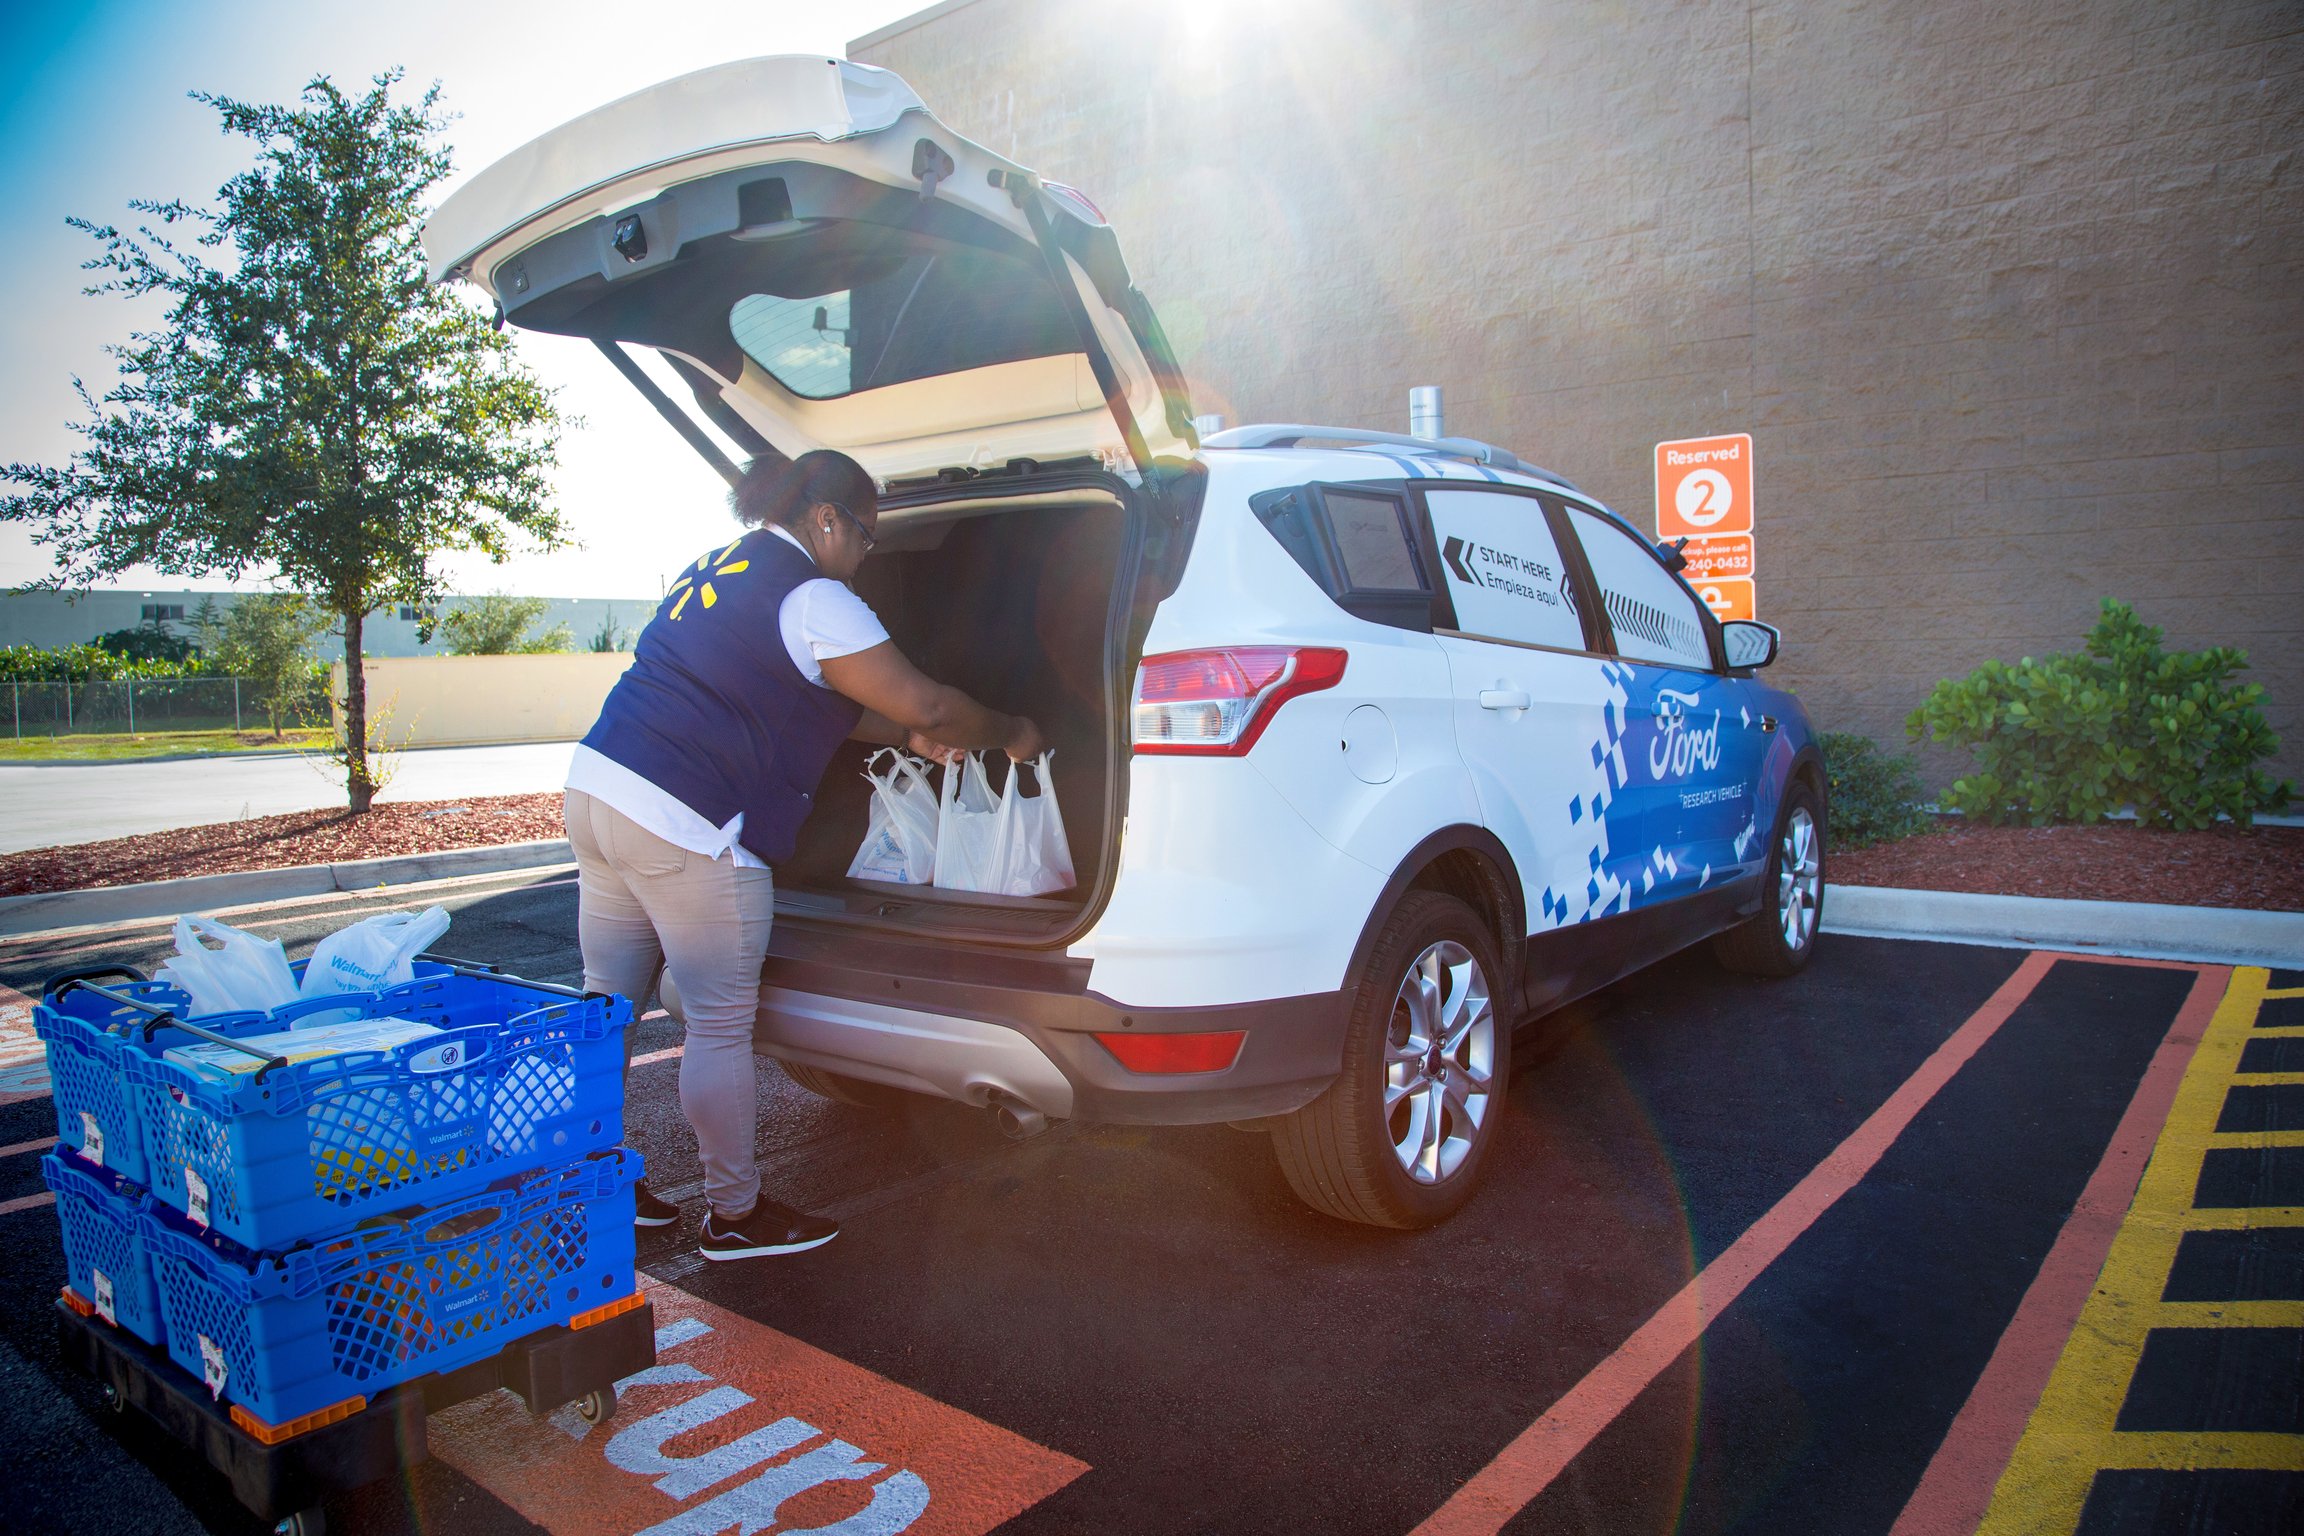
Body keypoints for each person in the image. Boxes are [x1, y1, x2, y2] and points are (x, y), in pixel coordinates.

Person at [565, 450, 1046, 1262]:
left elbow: (796, 690)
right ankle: (736, 1216)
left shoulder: (716, 567)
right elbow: (924, 697)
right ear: (826, 519)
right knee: (719, 1025)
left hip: (598, 790)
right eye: (866, 536)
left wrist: (903, 737)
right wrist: (1011, 731)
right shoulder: (816, 594)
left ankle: (593, 1189)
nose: (866, 557)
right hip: (689, 823)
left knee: (605, 1008)